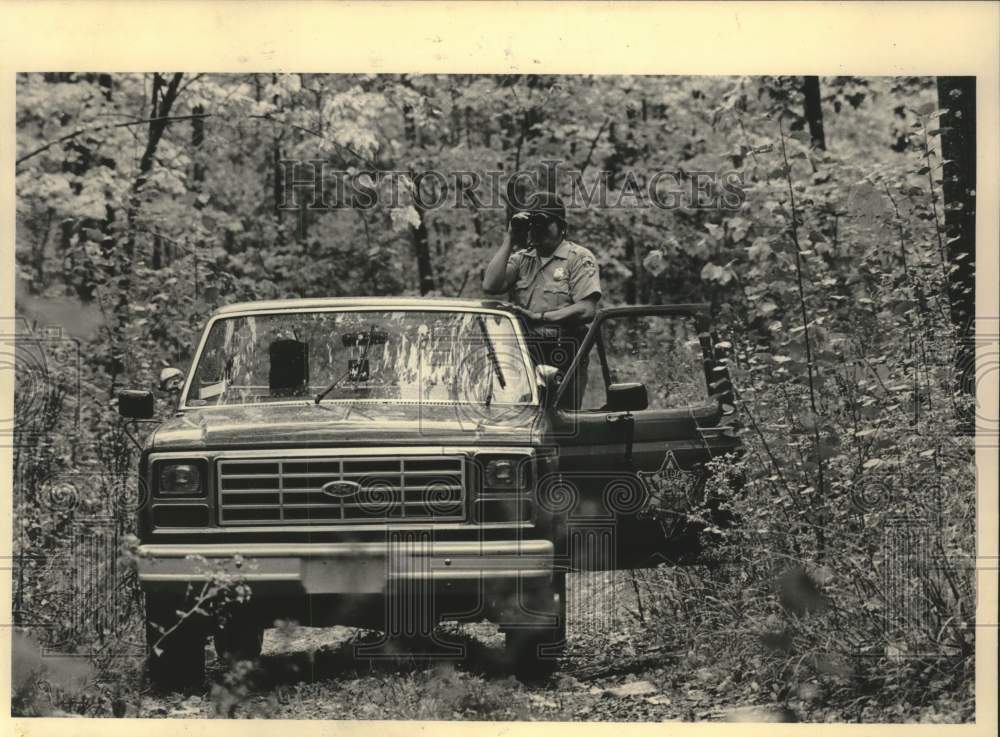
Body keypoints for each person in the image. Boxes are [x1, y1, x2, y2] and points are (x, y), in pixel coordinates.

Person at [482, 191, 601, 408]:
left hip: (565, 352)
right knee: (522, 416)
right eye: (532, 223)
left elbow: (587, 309)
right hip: (526, 352)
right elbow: (491, 286)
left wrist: (541, 317)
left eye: (543, 222)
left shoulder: (578, 258)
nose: (537, 229)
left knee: (562, 419)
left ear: (561, 227)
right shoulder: (522, 259)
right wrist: (510, 237)